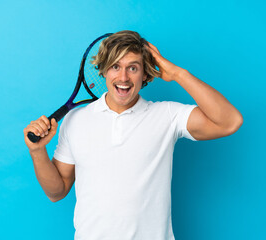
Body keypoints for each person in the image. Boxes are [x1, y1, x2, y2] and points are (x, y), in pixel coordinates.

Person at [23, 30, 243, 240]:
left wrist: (177, 74)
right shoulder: (75, 120)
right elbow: (57, 192)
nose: (123, 77)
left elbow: (229, 122)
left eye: (133, 68)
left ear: (145, 73)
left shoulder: (167, 115)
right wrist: (37, 151)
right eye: (115, 66)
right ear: (104, 71)